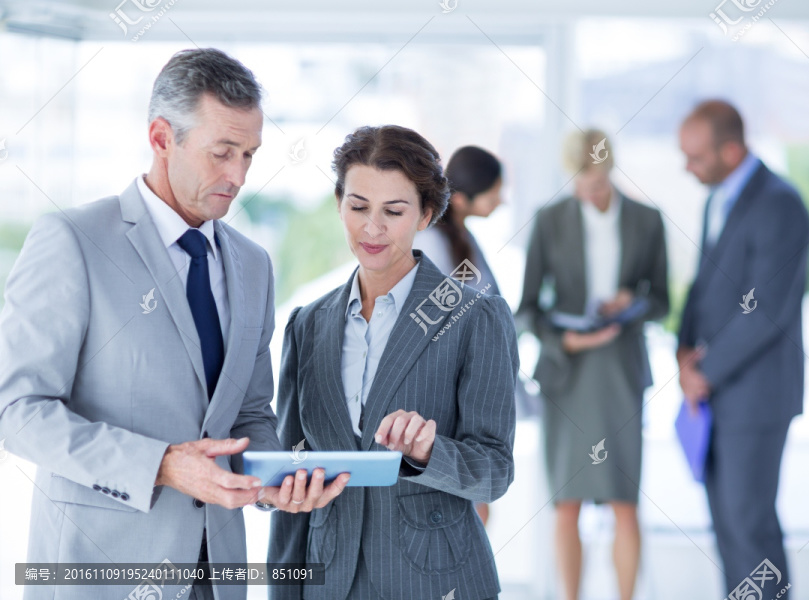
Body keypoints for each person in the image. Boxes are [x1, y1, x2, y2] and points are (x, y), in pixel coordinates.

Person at [0, 49, 343, 600]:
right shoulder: (74, 241)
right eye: (222, 153)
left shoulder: (253, 264)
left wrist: (273, 482)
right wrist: (161, 465)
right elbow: (17, 410)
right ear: (162, 137)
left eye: (250, 155)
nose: (239, 176)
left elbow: (250, 411)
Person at [268, 125, 518, 600]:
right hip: (328, 582)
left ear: (426, 213)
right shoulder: (307, 324)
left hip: (434, 581)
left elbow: (494, 470)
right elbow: (291, 469)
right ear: (339, 203)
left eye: (394, 211)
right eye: (358, 206)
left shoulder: (474, 317)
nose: (372, 228)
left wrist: (428, 454)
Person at [518, 129, 669, 600]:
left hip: (620, 372)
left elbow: (662, 301)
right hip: (568, 372)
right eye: (583, 181)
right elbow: (526, 309)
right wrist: (565, 339)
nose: (592, 190)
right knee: (567, 503)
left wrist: (633, 301)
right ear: (570, 176)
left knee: (624, 502)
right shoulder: (548, 220)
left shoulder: (648, 220)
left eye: (600, 180)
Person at [677, 100, 809, 598]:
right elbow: (704, 286)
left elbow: (768, 308)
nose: (687, 168)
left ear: (731, 150)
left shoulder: (780, 203)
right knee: (729, 529)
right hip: (715, 391)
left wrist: (704, 369)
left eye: (696, 157)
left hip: (755, 395)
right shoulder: (718, 198)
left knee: (749, 525)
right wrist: (683, 349)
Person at [414, 144, 503, 525]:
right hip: (446, 388)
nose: (503, 198)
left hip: (471, 386)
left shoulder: (463, 237)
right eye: (496, 191)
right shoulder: (432, 241)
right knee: (465, 502)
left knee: (478, 498)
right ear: (464, 198)